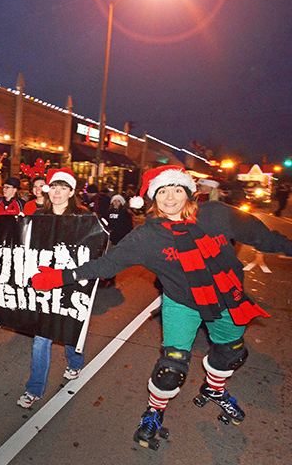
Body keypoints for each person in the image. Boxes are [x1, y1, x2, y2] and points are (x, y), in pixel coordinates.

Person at [31, 165, 292, 449]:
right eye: (163, 191)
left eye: (177, 189)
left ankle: (215, 389)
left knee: (231, 355)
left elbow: (262, 237)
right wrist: (60, 277)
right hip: (182, 302)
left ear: (189, 192)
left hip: (228, 297)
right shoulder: (147, 237)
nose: (170, 197)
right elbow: (106, 265)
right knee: (171, 368)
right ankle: (154, 413)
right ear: (154, 198)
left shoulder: (217, 214)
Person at [17, 168, 87, 409]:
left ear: (71, 191)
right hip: (45, 283)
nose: (57, 192)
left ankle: (76, 363)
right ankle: (34, 389)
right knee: (41, 339)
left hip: (70, 283)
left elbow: (93, 248)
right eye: (54, 187)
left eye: (63, 187)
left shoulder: (83, 218)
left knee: (68, 330)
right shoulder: (38, 216)